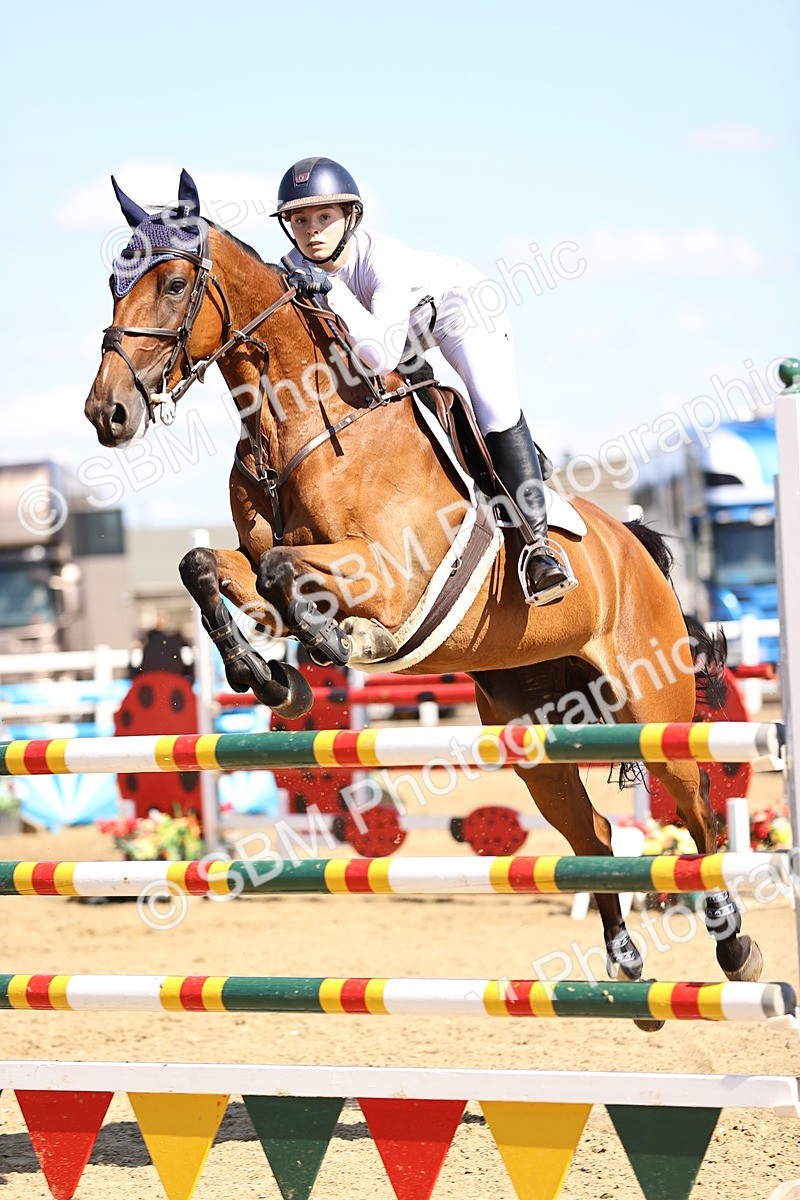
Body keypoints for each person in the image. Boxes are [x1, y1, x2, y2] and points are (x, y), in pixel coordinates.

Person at [273, 156, 577, 606]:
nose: (312, 230)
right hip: (395, 335)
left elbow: (380, 355)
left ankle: (538, 550)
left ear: (350, 218)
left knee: (492, 405)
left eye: (324, 217)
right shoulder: (292, 265)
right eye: (300, 220)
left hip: (460, 310)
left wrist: (329, 288)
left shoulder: (385, 261)